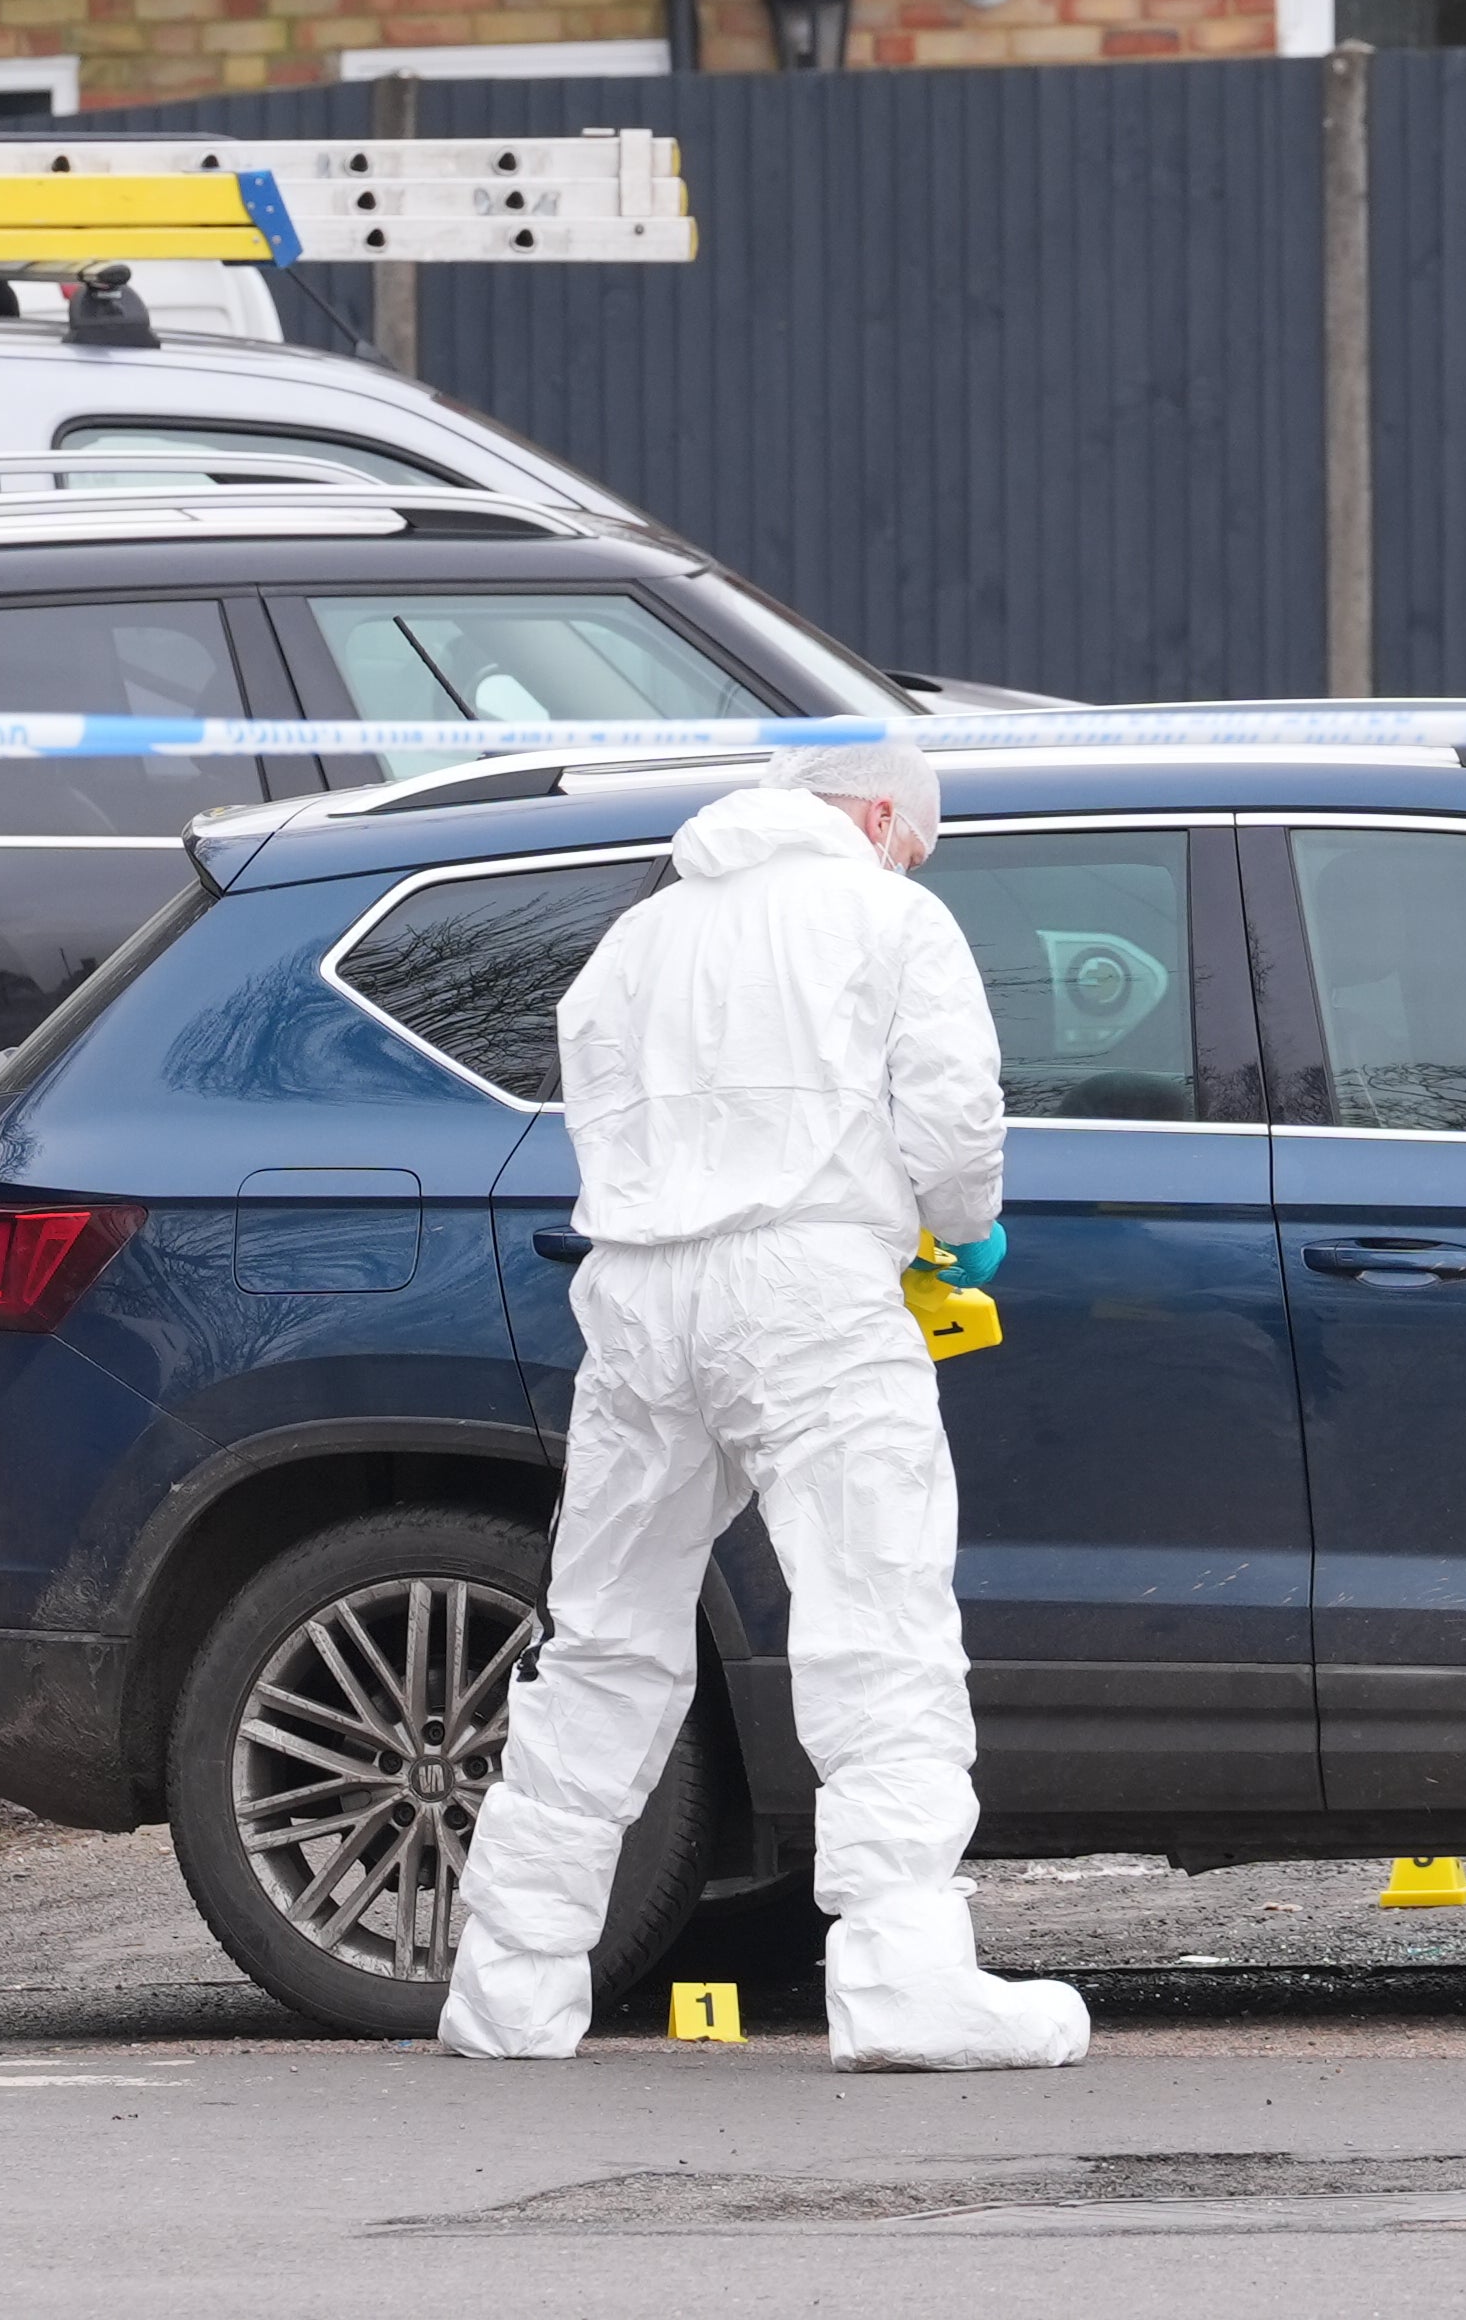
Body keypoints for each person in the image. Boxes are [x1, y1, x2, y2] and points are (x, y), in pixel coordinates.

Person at [435, 737, 1089, 2071]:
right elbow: (956, 1127)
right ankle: (905, 1979)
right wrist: (957, 1231)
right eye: (914, 836)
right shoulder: (891, 915)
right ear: (882, 814)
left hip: (637, 1292)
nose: (912, 857)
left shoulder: (637, 940)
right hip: (806, 1289)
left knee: (608, 1635)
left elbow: (599, 1113)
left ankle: (508, 1985)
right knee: (878, 1617)